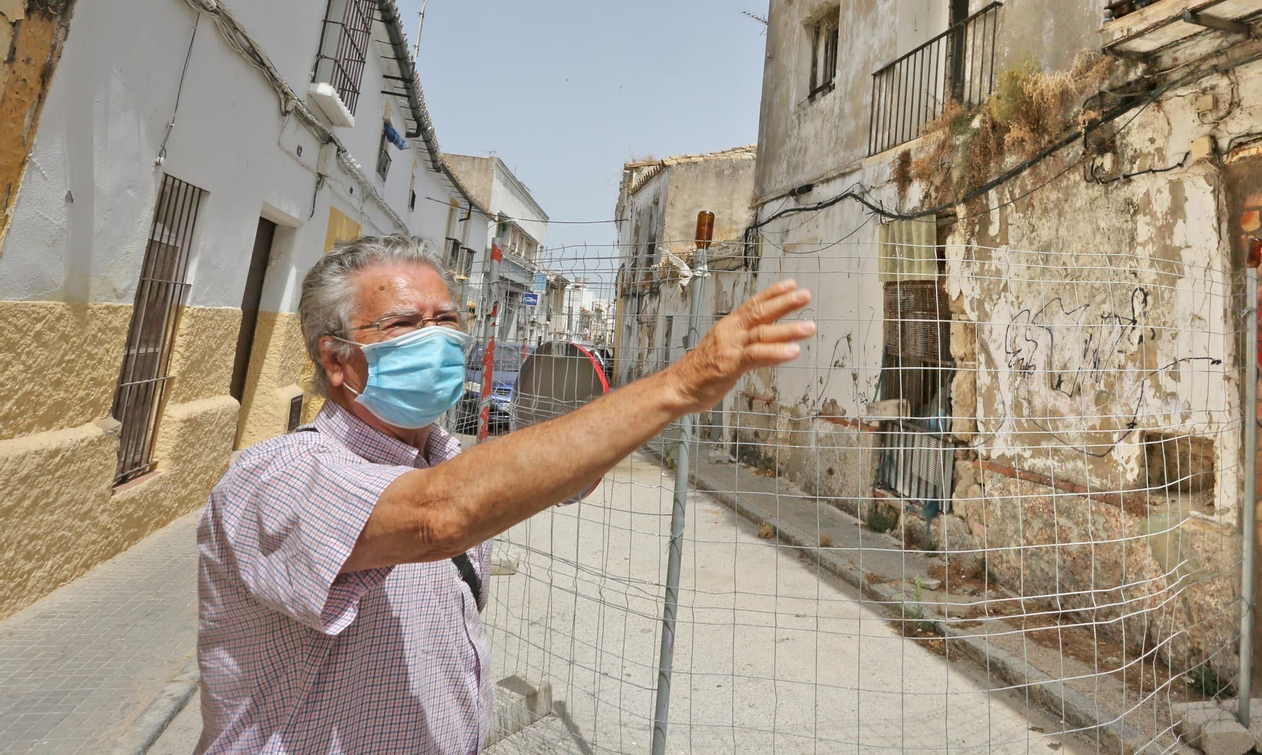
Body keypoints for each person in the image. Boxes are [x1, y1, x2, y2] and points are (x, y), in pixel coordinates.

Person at [193, 234, 812, 754]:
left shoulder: (446, 458)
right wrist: (682, 384)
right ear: (337, 360)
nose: (435, 339)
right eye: (406, 323)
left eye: (446, 319)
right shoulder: (274, 477)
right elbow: (438, 515)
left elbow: (509, 482)